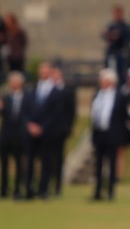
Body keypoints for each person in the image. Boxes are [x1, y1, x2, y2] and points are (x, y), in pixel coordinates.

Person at [23, 61, 62, 199]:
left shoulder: (56, 92)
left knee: (46, 161)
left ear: (50, 72)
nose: (43, 72)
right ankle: (28, 188)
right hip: (31, 131)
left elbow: (55, 114)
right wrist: (29, 125)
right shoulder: (31, 90)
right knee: (30, 161)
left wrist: (42, 127)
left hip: (47, 132)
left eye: (45, 70)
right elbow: (25, 110)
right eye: (41, 70)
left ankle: (43, 189)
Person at [90, 69, 126, 201]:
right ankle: (98, 192)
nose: (101, 82)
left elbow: (123, 118)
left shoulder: (119, 97)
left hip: (113, 135)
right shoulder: (97, 95)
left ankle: (110, 192)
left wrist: (121, 137)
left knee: (111, 164)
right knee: (98, 164)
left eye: (103, 80)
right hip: (99, 134)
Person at [0, 71, 28, 199]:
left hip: (20, 136)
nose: (11, 84)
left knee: (19, 163)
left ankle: (18, 189)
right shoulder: (6, 98)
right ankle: (4, 189)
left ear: (20, 83)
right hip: (6, 135)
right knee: (4, 163)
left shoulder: (27, 98)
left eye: (13, 82)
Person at [52, 64, 77, 196]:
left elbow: (71, 111)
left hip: (60, 130)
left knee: (59, 158)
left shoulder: (67, 90)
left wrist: (69, 127)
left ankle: (57, 186)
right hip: (46, 131)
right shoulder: (46, 89)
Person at [101, 5, 130, 86]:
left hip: (120, 55)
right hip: (111, 54)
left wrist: (112, 36)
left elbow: (119, 36)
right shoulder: (111, 25)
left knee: (120, 76)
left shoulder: (125, 26)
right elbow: (104, 34)